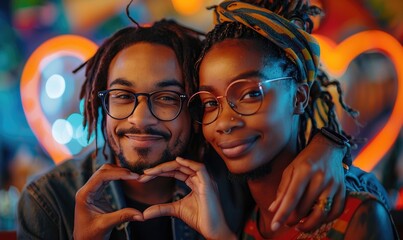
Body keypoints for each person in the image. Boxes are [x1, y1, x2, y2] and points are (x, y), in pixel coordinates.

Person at [17, 2, 387, 240]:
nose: (141, 118)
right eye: (123, 96)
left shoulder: (229, 175)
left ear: (192, 112)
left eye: (165, 98)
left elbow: (367, 202)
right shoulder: (50, 201)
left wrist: (331, 147)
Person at [138, 0, 398, 239]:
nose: (225, 122)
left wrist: (332, 145)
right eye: (210, 103)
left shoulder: (352, 217)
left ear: (298, 97)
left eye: (251, 94)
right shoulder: (236, 212)